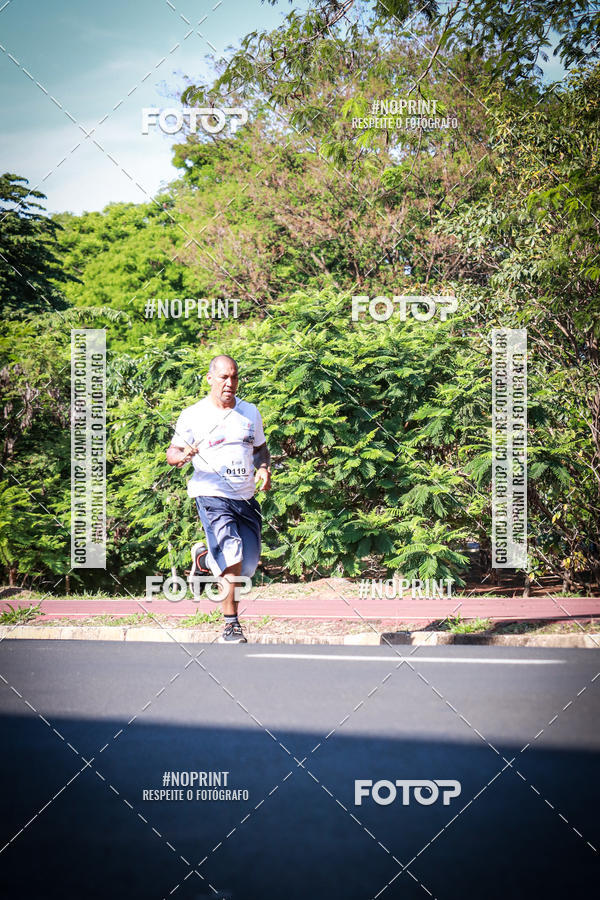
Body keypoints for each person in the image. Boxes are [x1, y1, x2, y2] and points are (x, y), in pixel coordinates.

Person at [166, 355, 271, 643]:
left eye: (234, 377)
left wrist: (263, 468)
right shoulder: (193, 415)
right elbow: (171, 454)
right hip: (211, 495)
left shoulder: (250, 413)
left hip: (246, 498)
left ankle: (203, 559)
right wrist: (183, 455)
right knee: (232, 554)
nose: (230, 383)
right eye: (224, 377)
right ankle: (231, 625)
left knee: (246, 567)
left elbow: (261, 449)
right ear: (210, 378)